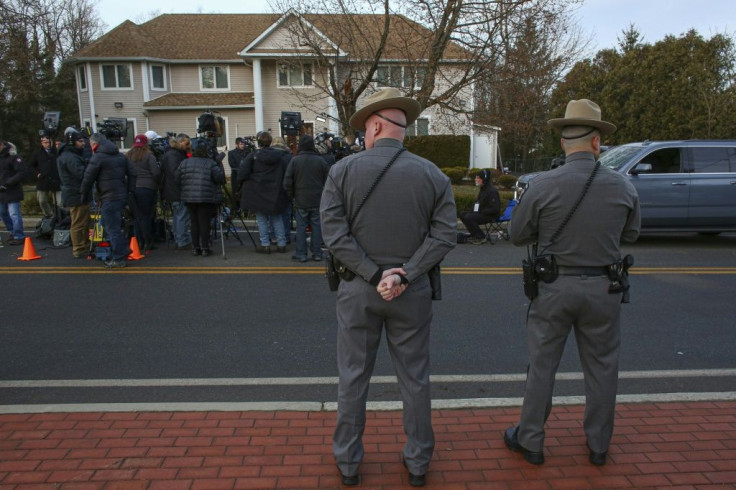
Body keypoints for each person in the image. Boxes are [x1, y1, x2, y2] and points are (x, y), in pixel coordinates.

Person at [320, 87, 457, 487]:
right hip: (410, 292)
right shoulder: (432, 174)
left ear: (375, 125)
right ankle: (417, 462)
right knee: (414, 378)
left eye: (364, 128)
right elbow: (444, 236)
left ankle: (348, 462)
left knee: (353, 376)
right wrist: (403, 274)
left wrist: (373, 274)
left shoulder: (342, 171)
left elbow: (333, 234)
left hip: (359, 290)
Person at [504, 99, 641, 467]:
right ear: (597, 142)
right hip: (604, 287)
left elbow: (517, 235)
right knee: (602, 367)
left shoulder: (543, 184)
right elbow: (631, 233)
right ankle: (599, 444)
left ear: (564, 142)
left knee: (542, 365)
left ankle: (531, 439)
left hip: (554, 288)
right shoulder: (622, 186)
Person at [81, 133, 137, 268]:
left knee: (112, 228)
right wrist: (129, 191)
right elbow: (133, 173)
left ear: (94, 144)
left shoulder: (98, 158)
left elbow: (88, 178)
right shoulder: (120, 156)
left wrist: (83, 196)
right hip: (120, 195)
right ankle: (121, 250)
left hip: (108, 196)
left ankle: (119, 256)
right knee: (107, 223)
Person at [236, 131, 291, 254]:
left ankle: (265, 244)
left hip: (258, 191)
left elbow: (243, 173)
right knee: (277, 218)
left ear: (259, 142)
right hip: (275, 191)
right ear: (270, 142)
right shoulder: (280, 157)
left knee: (261, 219)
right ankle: (281, 244)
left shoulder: (253, 156)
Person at [175, 138, 225, 256]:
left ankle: (196, 247)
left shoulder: (185, 162)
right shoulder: (210, 163)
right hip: (205, 196)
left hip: (189, 197)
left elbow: (177, 179)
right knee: (204, 222)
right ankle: (205, 248)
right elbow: (219, 178)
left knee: (194, 222)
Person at [283, 134, 329, 262]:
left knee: (301, 227)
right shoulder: (321, 161)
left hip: (300, 198)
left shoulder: (295, 160)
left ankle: (301, 253)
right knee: (316, 226)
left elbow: (287, 182)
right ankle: (317, 253)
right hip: (317, 199)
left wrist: (292, 195)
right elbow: (329, 181)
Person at [57, 131, 91, 258]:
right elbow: (81, 174)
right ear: (72, 142)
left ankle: (85, 244)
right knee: (78, 222)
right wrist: (90, 167)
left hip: (78, 192)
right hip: (75, 193)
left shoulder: (72, 155)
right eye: (80, 141)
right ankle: (78, 248)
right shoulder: (70, 157)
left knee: (84, 221)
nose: (83, 144)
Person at [126, 134, 161, 253]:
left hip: (132, 188)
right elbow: (155, 172)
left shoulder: (128, 155)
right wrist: (157, 183)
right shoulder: (148, 155)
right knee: (146, 216)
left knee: (136, 217)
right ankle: (148, 242)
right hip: (147, 188)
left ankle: (138, 242)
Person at [160, 134, 192, 250]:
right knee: (182, 216)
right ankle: (182, 240)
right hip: (178, 190)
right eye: (187, 143)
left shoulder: (171, 154)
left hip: (173, 190)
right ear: (180, 142)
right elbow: (176, 174)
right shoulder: (174, 155)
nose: (188, 146)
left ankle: (180, 238)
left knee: (179, 215)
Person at [458, 169, 501, 244]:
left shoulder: (492, 191)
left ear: (484, 179)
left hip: (490, 215)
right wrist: (474, 211)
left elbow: (495, 208)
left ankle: (480, 236)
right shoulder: (483, 189)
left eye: (478, 178)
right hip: (481, 213)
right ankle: (475, 234)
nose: (476, 179)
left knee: (469, 217)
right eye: (476, 178)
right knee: (462, 214)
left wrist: (481, 212)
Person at [28, 135, 62, 220]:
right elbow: (31, 166)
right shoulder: (37, 153)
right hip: (43, 180)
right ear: (42, 143)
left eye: (49, 142)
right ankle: (49, 215)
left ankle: (59, 216)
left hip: (56, 180)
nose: (48, 144)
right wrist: (37, 173)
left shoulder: (57, 152)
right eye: (45, 142)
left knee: (59, 202)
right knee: (42, 200)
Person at [0, 139, 27, 246]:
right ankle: (12, 231)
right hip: (1, 191)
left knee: (14, 213)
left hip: (12, 190)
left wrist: (8, 183)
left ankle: (18, 235)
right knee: (2, 213)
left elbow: (22, 172)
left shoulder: (14, 157)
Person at [227, 137, 251, 207]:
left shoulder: (247, 152)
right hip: (236, 176)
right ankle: (237, 209)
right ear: (237, 144)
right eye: (241, 144)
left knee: (246, 194)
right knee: (236, 193)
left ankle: (245, 210)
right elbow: (232, 164)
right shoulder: (231, 153)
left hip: (246, 177)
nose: (243, 145)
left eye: (243, 144)